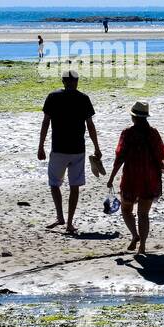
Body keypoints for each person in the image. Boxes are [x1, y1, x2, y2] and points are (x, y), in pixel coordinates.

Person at [38, 70, 103, 236]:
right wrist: (96, 147)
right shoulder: (83, 98)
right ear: (76, 81)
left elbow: (45, 123)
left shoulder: (53, 97)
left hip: (59, 149)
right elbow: (90, 125)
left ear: (63, 81)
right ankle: (69, 222)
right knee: (74, 186)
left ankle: (61, 217)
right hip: (77, 150)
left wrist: (41, 146)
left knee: (54, 184)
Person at [107, 101, 164, 254]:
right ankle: (142, 246)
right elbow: (161, 155)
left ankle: (134, 235)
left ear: (133, 117)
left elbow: (119, 158)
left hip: (131, 177)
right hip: (150, 178)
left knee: (126, 209)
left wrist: (111, 178)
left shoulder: (127, 133)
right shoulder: (153, 133)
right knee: (144, 214)